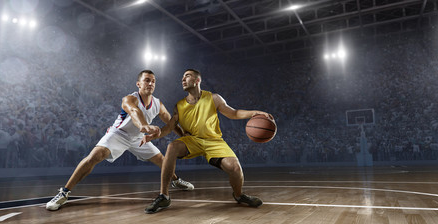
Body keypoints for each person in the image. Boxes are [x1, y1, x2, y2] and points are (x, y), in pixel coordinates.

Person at [46, 70, 194, 211]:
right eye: (147, 80)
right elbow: (135, 112)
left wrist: (183, 135)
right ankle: (64, 193)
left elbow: (171, 122)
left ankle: (175, 181)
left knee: (162, 160)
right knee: (94, 156)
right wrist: (144, 126)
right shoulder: (129, 99)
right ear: (138, 84)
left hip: (138, 139)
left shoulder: (157, 104)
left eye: (153, 81)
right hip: (119, 134)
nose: (151, 84)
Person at [141, 69, 273, 214]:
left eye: (187, 76)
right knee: (172, 146)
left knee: (235, 168)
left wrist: (254, 113)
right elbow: (169, 127)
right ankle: (164, 196)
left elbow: (233, 113)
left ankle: (239, 195)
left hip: (214, 141)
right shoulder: (179, 106)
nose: (183, 79)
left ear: (197, 81)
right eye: (183, 77)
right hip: (193, 140)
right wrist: (155, 135)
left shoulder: (214, 98)